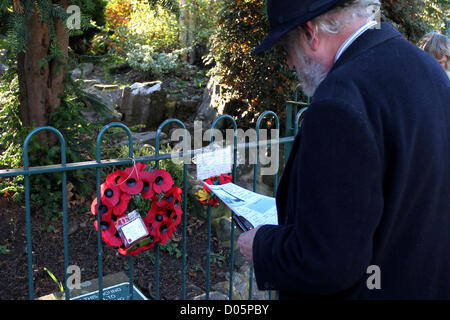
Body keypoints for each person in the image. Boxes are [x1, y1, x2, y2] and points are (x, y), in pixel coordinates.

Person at [237, 0, 450, 299]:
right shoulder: (427, 68)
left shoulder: (339, 102)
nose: (288, 63)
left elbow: (328, 262)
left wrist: (262, 246)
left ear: (310, 32)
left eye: (286, 47)